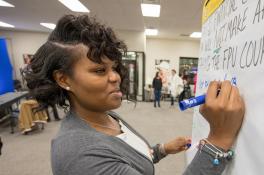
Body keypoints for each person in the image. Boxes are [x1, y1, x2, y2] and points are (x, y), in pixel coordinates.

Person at [25, 15, 245, 175]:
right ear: (64, 79)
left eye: (114, 68)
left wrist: (162, 149)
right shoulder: (81, 155)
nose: (115, 77)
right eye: (99, 70)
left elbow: (129, 158)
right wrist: (219, 139)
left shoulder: (105, 116)